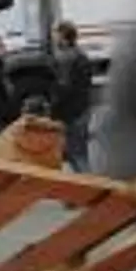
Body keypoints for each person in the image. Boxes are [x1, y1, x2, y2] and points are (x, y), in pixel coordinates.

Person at [52, 21, 95, 173]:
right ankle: (88, 186)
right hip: (83, 109)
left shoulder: (65, 58)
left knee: (77, 154)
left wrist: (54, 109)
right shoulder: (80, 54)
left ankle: (90, 187)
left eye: (56, 34)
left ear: (63, 37)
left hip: (73, 113)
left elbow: (64, 89)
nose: (54, 37)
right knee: (78, 153)